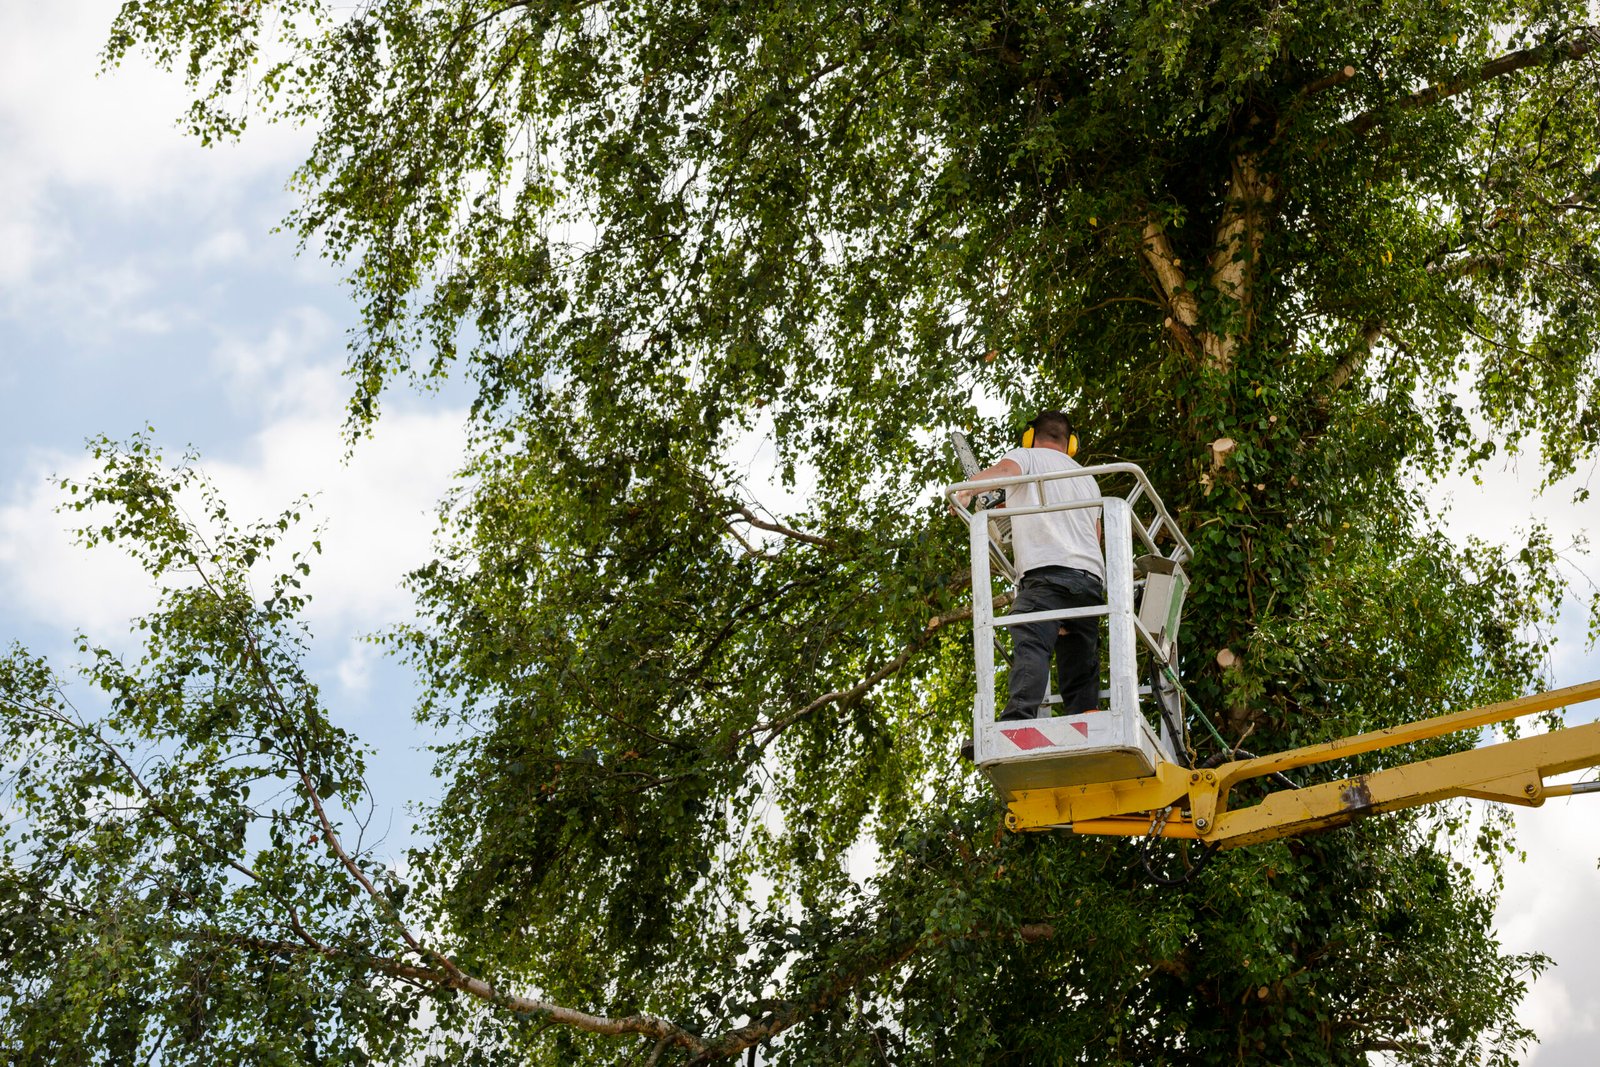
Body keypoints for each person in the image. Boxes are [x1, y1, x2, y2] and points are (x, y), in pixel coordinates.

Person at [959, 411, 1104, 720]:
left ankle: (1019, 718)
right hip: (1090, 579)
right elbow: (1096, 534)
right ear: (1070, 444)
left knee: (1031, 635)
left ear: (1031, 438)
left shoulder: (1026, 457)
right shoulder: (1086, 478)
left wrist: (968, 489)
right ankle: (1087, 715)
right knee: (1079, 653)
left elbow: (1006, 471)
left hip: (1047, 575)